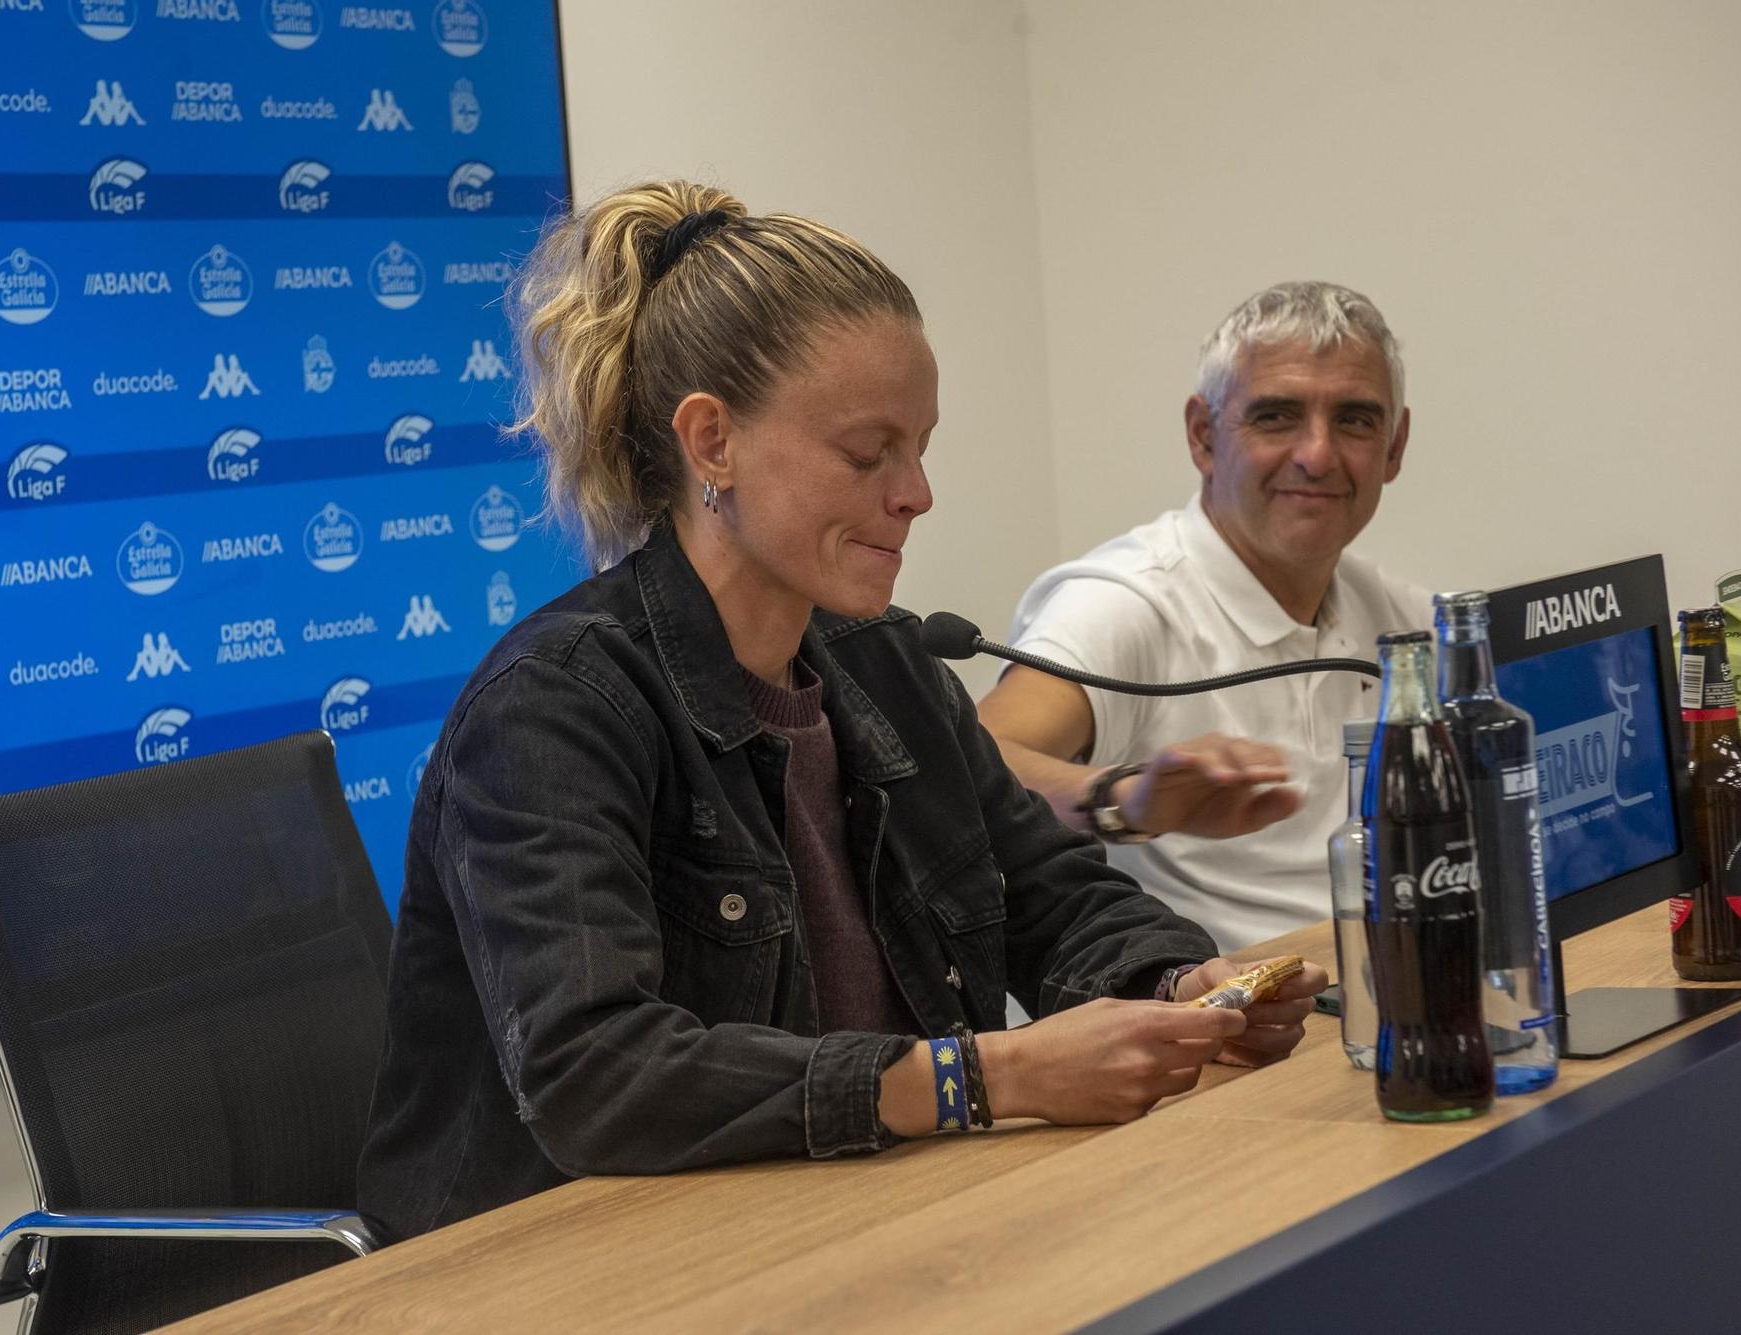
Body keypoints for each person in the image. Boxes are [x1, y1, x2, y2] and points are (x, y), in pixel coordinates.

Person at [355, 184, 1325, 1241]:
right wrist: (980, 1076)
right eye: (869, 454)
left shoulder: (885, 664)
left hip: (844, 1213)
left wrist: (1181, 982)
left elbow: (1044, 893)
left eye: (919, 447)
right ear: (711, 443)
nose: (915, 492)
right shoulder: (554, 706)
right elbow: (599, 1073)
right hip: (559, 1265)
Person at [977, 282, 1431, 952]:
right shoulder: (1126, 601)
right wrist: (1124, 799)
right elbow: (973, 765)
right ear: (1203, 436)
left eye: (1356, 420)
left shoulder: (1405, 619)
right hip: (1208, 1025)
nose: (1317, 454)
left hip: (1373, 996)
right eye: (1276, 417)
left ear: (1395, 447)